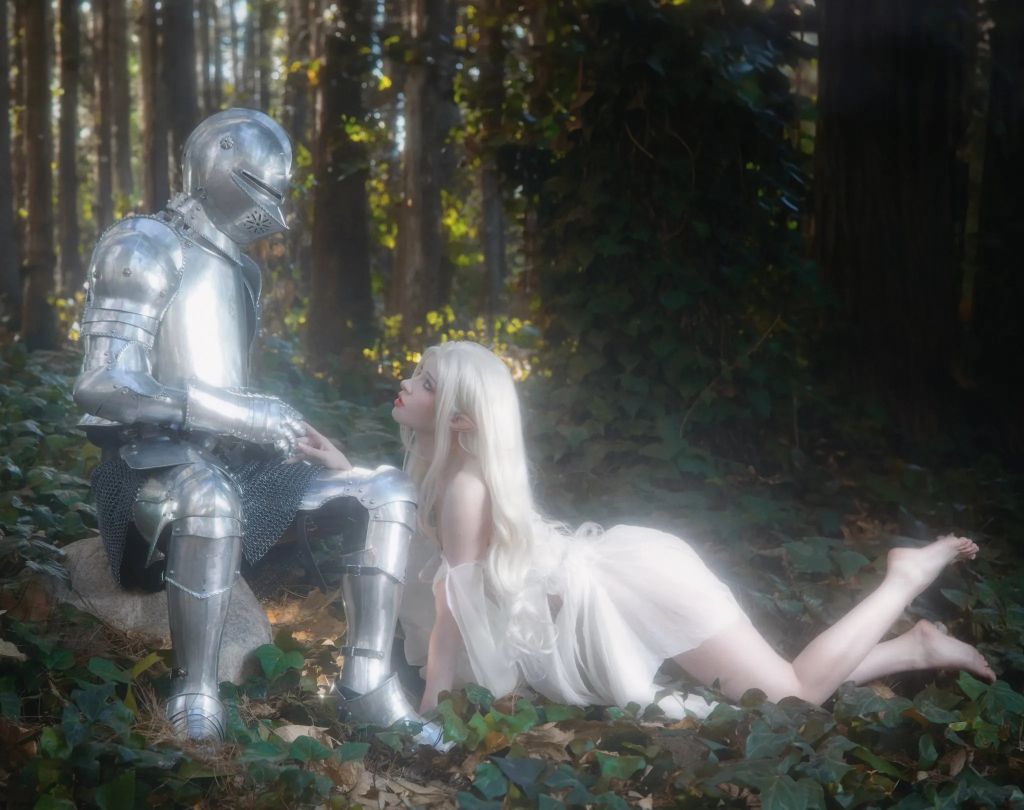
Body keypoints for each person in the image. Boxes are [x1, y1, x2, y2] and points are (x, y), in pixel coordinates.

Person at [298, 340, 995, 719]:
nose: (406, 384)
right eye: (416, 374)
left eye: (424, 381)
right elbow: (415, 529)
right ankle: (914, 648)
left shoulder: (466, 485)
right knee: (771, 687)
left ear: (458, 417)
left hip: (636, 589)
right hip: (617, 590)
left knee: (790, 697)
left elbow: (452, 602)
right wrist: (345, 469)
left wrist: (430, 702)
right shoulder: (448, 474)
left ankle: (903, 579)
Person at [74, 109, 443, 745]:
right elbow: (103, 384)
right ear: (217, 165)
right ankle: (196, 695)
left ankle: (366, 683)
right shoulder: (143, 244)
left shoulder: (243, 272)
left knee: (385, 490)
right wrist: (242, 414)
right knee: (210, 496)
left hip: (236, 466)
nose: (269, 208)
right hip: (149, 471)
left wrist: (273, 428)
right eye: (260, 185)